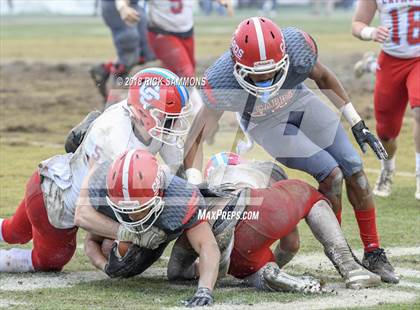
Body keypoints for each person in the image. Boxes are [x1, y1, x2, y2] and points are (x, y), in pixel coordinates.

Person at [183, 17, 399, 283]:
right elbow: (195, 138)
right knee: (331, 174)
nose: (264, 82)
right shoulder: (222, 79)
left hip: (300, 102)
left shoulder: (298, 48)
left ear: (284, 58)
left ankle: (373, 252)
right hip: (264, 122)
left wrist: (357, 122)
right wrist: (195, 183)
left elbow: (324, 76)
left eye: (271, 73)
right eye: (255, 75)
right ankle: (340, 253)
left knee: (354, 166)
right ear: (236, 67)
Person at [0, 68, 191, 273]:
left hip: (58, 181)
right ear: (144, 112)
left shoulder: (149, 123)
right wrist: (132, 235)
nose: (175, 122)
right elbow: (83, 215)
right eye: (169, 116)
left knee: (11, 230)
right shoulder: (114, 140)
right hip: (53, 203)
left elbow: (180, 172)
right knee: (45, 261)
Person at [168, 152, 381, 291]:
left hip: (211, 223)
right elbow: (291, 245)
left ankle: (233, 265)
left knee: (181, 266)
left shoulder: (208, 182)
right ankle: (350, 267)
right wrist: (276, 258)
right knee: (309, 194)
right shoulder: (258, 173)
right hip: (253, 208)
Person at [83, 149, 220, 307]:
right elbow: (91, 239)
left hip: (176, 216)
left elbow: (207, 244)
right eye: (125, 209)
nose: (133, 215)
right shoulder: (102, 186)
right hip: (137, 235)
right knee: (110, 250)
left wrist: (205, 289)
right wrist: (106, 267)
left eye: (139, 208)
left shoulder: (179, 201)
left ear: (158, 193)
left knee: (180, 269)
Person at [352, 0, 420, 200]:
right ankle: (387, 168)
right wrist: (371, 32)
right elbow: (357, 24)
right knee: (386, 133)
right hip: (391, 60)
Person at [90, 0, 155, 100]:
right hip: (115, 5)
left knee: (149, 51)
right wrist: (122, 7)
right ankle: (113, 99)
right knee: (129, 43)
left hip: (134, 5)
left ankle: (105, 70)